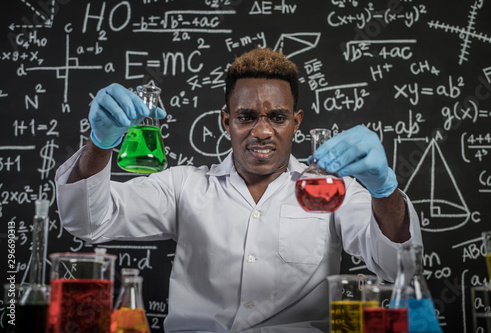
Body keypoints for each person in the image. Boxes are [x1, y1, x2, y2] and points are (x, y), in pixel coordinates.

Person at [55, 47, 422, 332]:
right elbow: (89, 221)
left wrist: (383, 187)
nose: (262, 131)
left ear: (296, 123)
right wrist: (100, 144)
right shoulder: (184, 186)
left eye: (277, 117)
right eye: (247, 117)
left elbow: (398, 266)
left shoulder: (328, 190)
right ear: (226, 121)